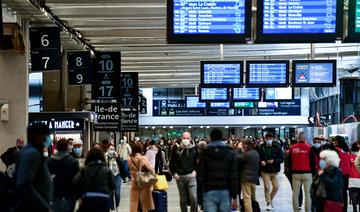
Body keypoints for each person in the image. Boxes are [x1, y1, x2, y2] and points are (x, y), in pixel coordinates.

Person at [15, 123, 53, 212]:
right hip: (32, 207)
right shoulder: (31, 154)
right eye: (46, 135)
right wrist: (43, 206)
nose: (48, 139)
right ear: (38, 136)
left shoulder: (31, 151)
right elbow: (24, 184)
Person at [197, 129, 238, 212]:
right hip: (225, 191)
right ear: (221, 138)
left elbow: (200, 174)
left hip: (209, 190)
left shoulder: (204, 153)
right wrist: (234, 196)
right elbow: (233, 176)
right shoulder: (230, 153)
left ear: (210, 138)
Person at [72, 148, 115, 212]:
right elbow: (113, 185)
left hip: (89, 199)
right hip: (103, 199)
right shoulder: (107, 170)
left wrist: (79, 196)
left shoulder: (84, 169)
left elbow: (75, 183)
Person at [47, 138, 80, 212]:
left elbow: (45, 180)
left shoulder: (49, 162)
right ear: (66, 147)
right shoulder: (73, 162)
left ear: (57, 147)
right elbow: (77, 180)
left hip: (53, 197)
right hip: (69, 197)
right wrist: (77, 196)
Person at [287, 133, 316, 212]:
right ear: (305, 138)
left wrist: (291, 172)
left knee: (295, 194)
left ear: (298, 138)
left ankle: (296, 210)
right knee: (308, 194)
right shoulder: (309, 148)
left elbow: (289, 162)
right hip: (307, 173)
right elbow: (313, 163)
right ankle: (308, 210)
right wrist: (314, 174)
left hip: (295, 173)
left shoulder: (292, 148)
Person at [170, 132, 198, 212]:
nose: (186, 140)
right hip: (180, 177)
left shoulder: (194, 148)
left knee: (194, 197)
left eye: (187, 138)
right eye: (184, 138)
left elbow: (198, 161)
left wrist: (195, 170)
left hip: (191, 176)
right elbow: (172, 162)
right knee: (183, 199)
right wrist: (174, 173)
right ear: (181, 138)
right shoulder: (176, 148)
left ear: (190, 139)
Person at [257, 133, 284, 211]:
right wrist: (261, 161)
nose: (269, 140)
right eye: (267, 139)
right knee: (267, 187)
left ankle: (270, 199)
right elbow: (258, 157)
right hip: (265, 171)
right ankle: (268, 203)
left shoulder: (277, 147)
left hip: (274, 170)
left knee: (276, 187)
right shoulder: (261, 147)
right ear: (265, 139)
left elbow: (282, 158)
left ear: (273, 139)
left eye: (270, 139)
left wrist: (274, 161)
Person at [128, 142, 155, 212]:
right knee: (144, 204)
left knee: (135, 202)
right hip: (143, 183)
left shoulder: (129, 159)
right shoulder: (143, 158)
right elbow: (151, 169)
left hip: (134, 182)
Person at [237, 138, 260, 212]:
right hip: (254, 179)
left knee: (247, 199)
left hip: (246, 179)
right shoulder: (255, 153)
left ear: (246, 145)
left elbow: (235, 158)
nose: (242, 146)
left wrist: (238, 149)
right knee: (253, 198)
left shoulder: (246, 154)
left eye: (242, 144)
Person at [333, 135, 351, 212]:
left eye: (335, 140)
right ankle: (344, 209)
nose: (334, 142)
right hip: (346, 174)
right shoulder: (346, 150)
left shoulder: (336, 150)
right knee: (344, 193)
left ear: (338, 141)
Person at [284, 140, 303, 210]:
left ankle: (299, 203)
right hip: (290, 173)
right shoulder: (287, 152)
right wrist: (286, 172)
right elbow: (286, 163)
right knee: (294, 188)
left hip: (297, 172)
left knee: (299, 188)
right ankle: (298, 202)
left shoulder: (298, 152)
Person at [105, 143, 125, 210]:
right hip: (108, 177)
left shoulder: (116, 156)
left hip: (117, 175)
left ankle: (117, 205)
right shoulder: (105, 156)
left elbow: (122, 166)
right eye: (110, 149)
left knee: (117, 193)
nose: (112, 150)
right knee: (109, 194)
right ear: (108, 149)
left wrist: (118, 158)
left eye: (113, 149)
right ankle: (112, 207)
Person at [349, 142, 360, 212]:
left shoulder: (349, 156)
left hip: (351, 177)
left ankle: (354, 207)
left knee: (352, 192)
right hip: (359, 177)